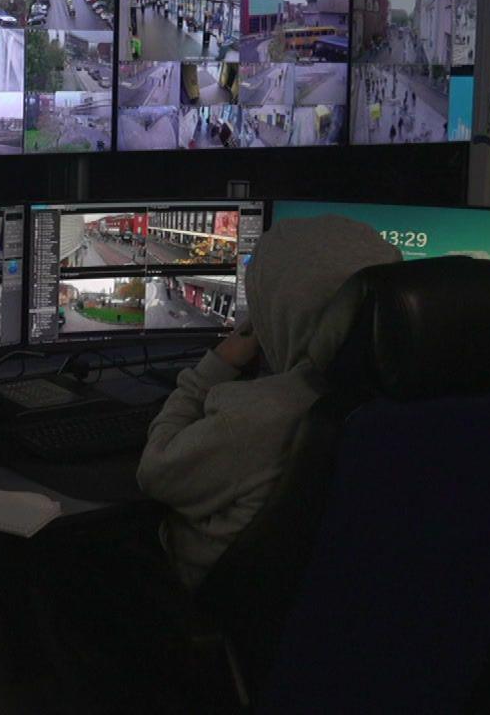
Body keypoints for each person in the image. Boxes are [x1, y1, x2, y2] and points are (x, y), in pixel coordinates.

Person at [139, 216, 401, 588]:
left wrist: (214, 368)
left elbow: (155, 473)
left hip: (218, 604)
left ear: (280, 308)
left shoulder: (255, 415)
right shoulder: (431, 402)